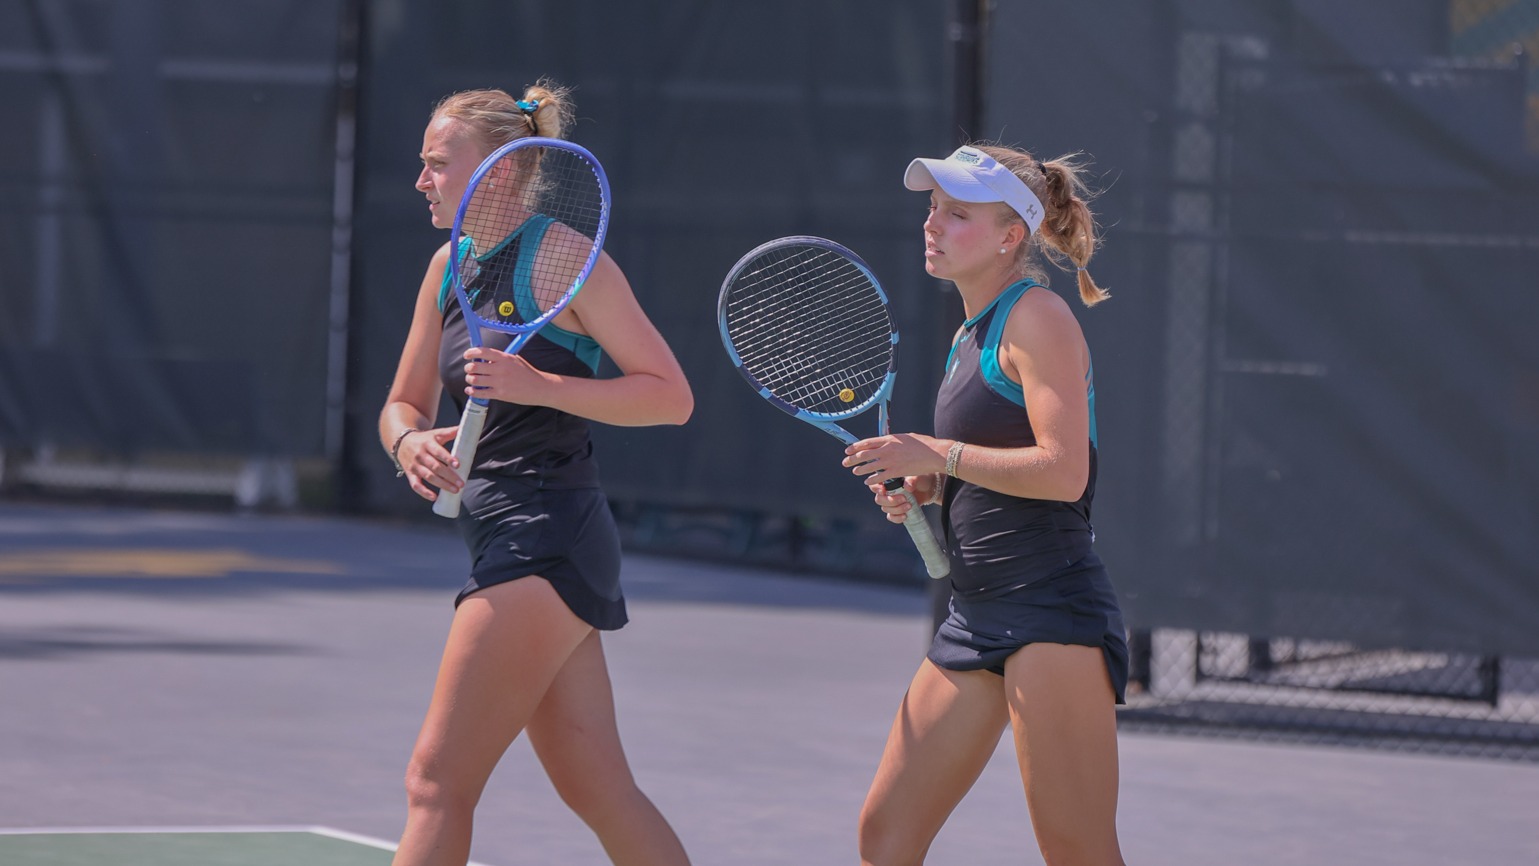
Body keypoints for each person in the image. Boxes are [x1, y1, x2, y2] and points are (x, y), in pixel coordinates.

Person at [378, 81, 694, 866]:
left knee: (434, 780)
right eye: (423, 164)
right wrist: (408, 444)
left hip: (545, 537)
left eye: (438, 164)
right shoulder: (446, 267)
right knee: (598, 787)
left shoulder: (565, 262)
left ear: (506, 172)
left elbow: (670, 397)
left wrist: (541, 386)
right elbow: (400, 403)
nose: (423, 179)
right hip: (501, 533)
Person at [841, 143, 1128, 866]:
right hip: (975, 615)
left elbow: (1063, 473)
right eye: (933, 209)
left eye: (957, 213)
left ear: (1010, 236)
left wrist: (937, 454)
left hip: (1048, 616)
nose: (933, 225)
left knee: (1077, 851)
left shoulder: (1038, 316)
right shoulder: (970, 333)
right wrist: (929, 487)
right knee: (886, 835)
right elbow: (994, 460)